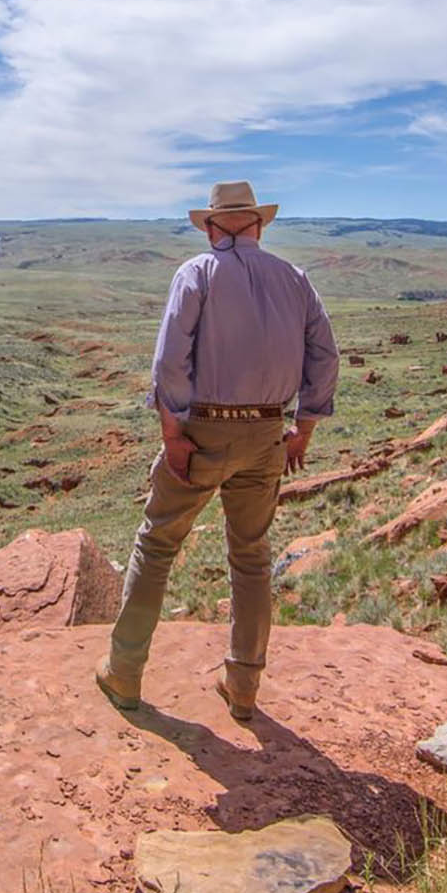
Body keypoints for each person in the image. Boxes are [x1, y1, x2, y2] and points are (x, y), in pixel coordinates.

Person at [95, 180, 339, 721]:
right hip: (268, 434)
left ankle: (124, 673)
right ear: (258, 225)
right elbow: (325, 355)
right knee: (251, 559)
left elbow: (169, 361)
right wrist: (305, 428)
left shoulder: (197, 274)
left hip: (203, 431)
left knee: (157, 546)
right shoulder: (294, 279)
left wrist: (173, 435)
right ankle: (244, 687)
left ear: (211, 226)